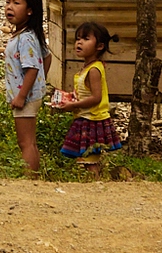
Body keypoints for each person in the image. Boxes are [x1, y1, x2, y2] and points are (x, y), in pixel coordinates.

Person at [50, 20, 122, 176]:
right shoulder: (87, 68)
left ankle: (96, 184)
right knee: (86, 158)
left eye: (85, 39)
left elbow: (96, 98)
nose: (79, 42)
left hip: (93, 120)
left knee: (90, 160)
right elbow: (86, 92)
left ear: (100, 46)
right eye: (78, 39)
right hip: (85, 118)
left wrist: (74, 105)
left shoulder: (94, 70)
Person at [1, 0, 49, 177]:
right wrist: (41, 82)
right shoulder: (25, 34)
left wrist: (22, 95)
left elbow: (32, 68)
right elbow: (46, 56)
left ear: (30, 10)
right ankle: (33, 176)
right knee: (29, 140)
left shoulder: (26, 37)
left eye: (16, 3)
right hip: (29, 94)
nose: (9, 7)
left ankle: (29, 178)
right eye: (8, 2)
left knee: (25, 141)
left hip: (26, 97)